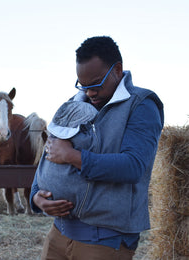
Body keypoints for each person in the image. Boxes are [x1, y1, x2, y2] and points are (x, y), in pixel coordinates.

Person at [30, 36, 164, 260]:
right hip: (58, 235)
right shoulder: (76, 103)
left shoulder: (141, 104)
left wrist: (73, 156)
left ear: (117, 70)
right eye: (83, 85)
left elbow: (134, 166)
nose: (90, 92)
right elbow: (51, 150)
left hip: (105, 242)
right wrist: (36, 196)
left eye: (96, 83)